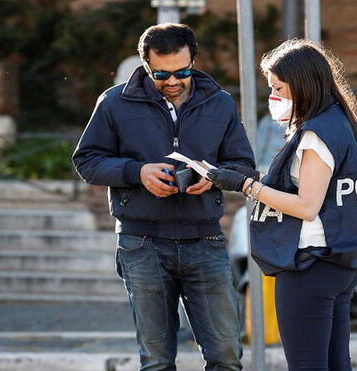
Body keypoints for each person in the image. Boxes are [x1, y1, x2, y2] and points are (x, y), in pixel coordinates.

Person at [72, 23, 254, 371]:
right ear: (145, 65)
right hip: (142, 243)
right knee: (156, 361)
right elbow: (87, 161)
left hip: (205, 240)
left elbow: (244, 165)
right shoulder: (113, 103)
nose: (173, 81)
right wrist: (137, 173)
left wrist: (213, 178)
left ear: (194, 61)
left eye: (182, 72)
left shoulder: (220, 103)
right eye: (161, 74)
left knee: (227, 356)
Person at [208, 39, 357, 371]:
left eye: (279, 87)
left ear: (302, 85)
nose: (274, 96)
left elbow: (306, 206)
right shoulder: (340, 122)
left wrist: (247, 186)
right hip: (338, 263)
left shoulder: (316, 134)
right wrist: (253, 178)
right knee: (334, 363)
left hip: (309, 263)